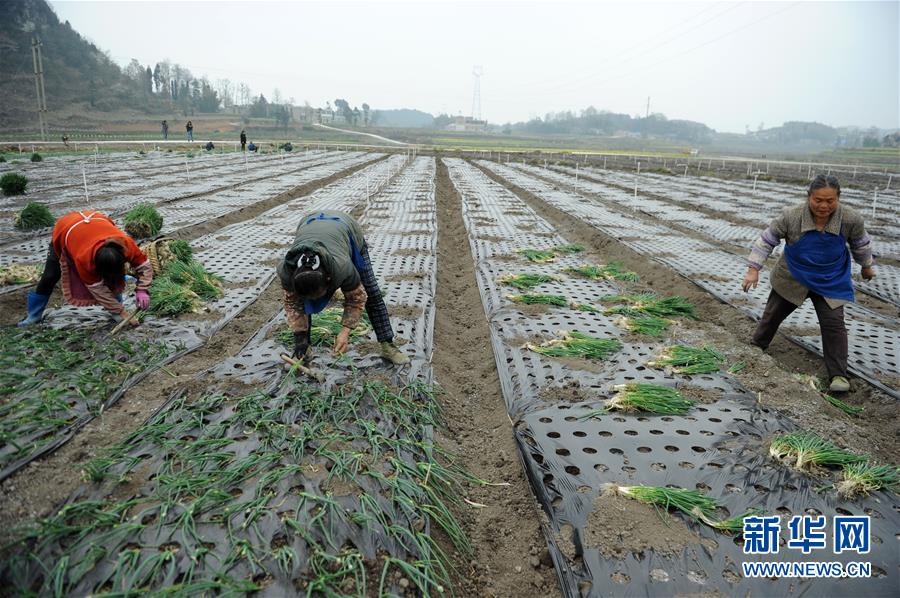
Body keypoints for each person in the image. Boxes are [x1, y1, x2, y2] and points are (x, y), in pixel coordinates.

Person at [742, 175, 876, 393]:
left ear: (838, 199)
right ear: (809, 198)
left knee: (834, 325)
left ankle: (838, 375)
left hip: (830, 279)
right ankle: (757, 345)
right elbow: (766, 241)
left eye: (830, 201)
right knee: (773, 315)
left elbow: (861, 244)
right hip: (793, 276)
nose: (824, 206)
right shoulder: (791, 216)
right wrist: (752, 270)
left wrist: (867, 265)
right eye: (818, 200)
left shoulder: (850, 219)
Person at [278, 210, 409, 365]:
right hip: (310, 223)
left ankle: (388, 346)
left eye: (319, 294)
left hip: (347, 229)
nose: (317, 299)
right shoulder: (287, 271)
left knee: (372, 291)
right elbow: (294, 305)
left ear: (328, 279)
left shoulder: (341, 267)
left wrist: (345, 331)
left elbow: (356, 299)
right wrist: (300, 340)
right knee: (302, 305)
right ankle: (303, 350)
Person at [18, 211, 153, 326]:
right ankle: (34, 315)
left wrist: (142, 290)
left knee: (113, 278)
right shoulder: (84, 259)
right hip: (66, 229)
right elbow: (98, 289)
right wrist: (121, 312)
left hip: (96, 221)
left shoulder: (126, 244)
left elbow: (145, 266)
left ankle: (116, 308)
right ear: (95, 266)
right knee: (50, 275)